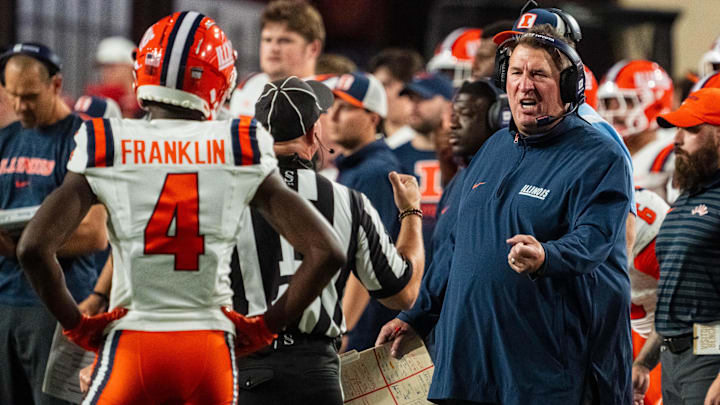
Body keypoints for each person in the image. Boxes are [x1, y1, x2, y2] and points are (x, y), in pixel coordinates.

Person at [16, 12, 345, 405]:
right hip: (209, 349)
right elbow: (327, 252)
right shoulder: (238, 142)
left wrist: (77, 326)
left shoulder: (109, 138)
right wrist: (263, 328)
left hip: (132, 343)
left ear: (143, 70)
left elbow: (33, 248)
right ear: (222, 80)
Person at [378, 25, 633, 404]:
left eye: (539, 74)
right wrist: (417, 315)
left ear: (568, 85)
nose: (524, 86)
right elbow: (455, 245)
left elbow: (595, 239)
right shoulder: (494, 147)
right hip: (469, 371)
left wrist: (548, 255)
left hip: (545, 375)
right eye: (516, 73)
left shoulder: (599, 155)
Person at [232, 76, 423, 404]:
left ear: (258, 136)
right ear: (313, 133)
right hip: (315, 376)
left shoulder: (220, 196)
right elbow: (403, 294)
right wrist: (410, 215)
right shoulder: (347, 201)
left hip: (241, 369)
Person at [0, 43, 108, 405]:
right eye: (12, 95)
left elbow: (94, 234)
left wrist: (24, 248)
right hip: (6, 303)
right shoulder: (7, 140)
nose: (20, 106)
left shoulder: (84, 138)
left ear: (56, 85)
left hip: (61, 304)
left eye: (29, 96)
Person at [393, 79, 510, 357]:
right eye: (453, 116)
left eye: (467, 116)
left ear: (498, 120)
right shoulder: (459, 180)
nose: (453, 126)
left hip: (483, 339)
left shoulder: (501, 179)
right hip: (447, 333)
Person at [633, 88, 720, 405]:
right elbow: (673, 298)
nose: (678, 140)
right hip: (672, 358)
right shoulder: (686, 200)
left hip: (710, 352)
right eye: (678, 129)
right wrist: (644, 362)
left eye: (692, 129)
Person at [327, 71, 404, 351]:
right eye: (332, 105)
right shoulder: (355, 167)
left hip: (364, 328)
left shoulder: (375, 171)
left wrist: (343, 327)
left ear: (373, 117)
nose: (333, 115)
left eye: (345, 107)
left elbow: (368, 256)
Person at [598, 59, 677, 203]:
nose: (614, 112)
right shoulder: (605, 152)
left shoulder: (672, 152)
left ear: (657, 104)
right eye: (609, 103)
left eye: (627, 102)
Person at [229, 0, 325, 117]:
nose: (273, 48)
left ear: (313, 48)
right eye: (267, 40)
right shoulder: (248, 86)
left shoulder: (328, 98)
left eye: (285, 40)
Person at [394, 72, 454, 257]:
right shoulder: (393, 157)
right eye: (411, 98)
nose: (414, 105)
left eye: (423, 98)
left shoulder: (462, 156)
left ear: (448, 103)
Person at [367, 48, 424, 147]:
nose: (377, 92)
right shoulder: (371, 143)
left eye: (385, 85)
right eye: (375, 85)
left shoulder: (425, 145)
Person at [85, 36, 140, 118]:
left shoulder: (146, 101)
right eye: (102, 67)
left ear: (130, 67)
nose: (105, 73)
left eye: (111, 67)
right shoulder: (98, 101)